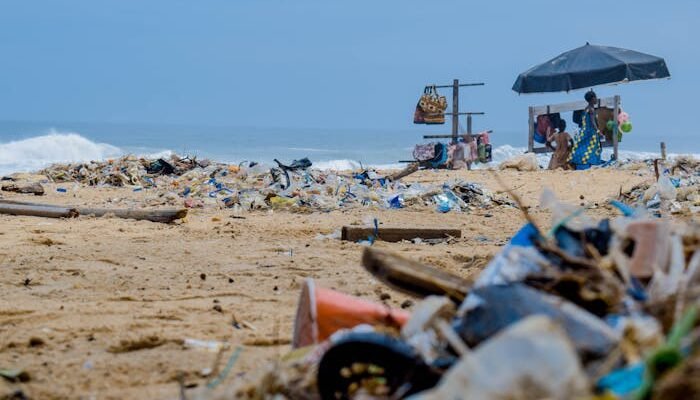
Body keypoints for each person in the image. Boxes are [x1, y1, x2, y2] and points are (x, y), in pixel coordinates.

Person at [568, 90, 603, 170]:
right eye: (595, 97)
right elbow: (593, 122)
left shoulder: (586, 109)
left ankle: (578, 162)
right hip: (591, 133)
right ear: (592, 99)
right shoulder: (591, 109)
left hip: (584, 131)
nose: (596, 99)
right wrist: (598, 132)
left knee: (582, 148)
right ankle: (590, 164)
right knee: (592, 149)